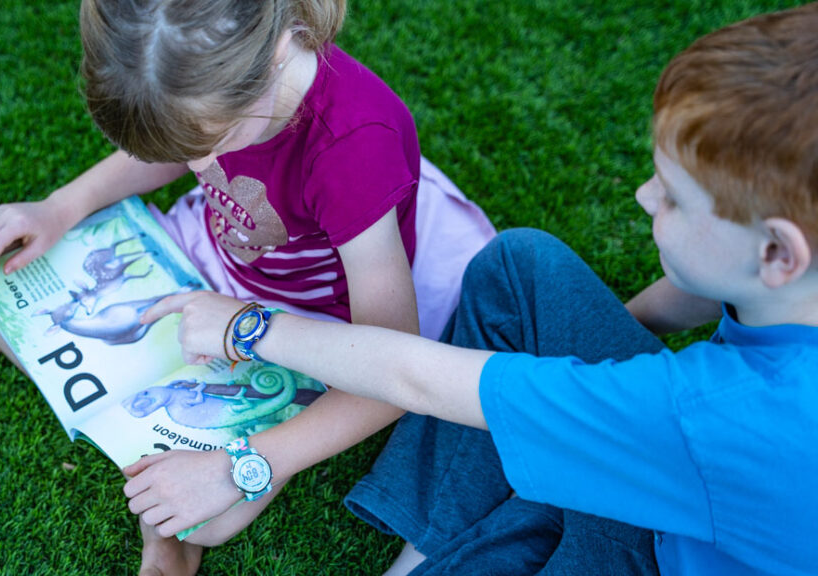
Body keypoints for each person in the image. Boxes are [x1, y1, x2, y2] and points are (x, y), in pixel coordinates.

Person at [133, 4, 818, 574]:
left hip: (662, 552)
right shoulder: (789, 284)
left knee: (545, 513)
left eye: (671, 197)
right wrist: (575, 371)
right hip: (701, 476)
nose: (643, 196)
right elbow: (697, 295)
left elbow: (420, 377)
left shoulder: (716, 414)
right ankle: (434, 538)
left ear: (778, 252)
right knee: (520, 266)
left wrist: (245, 330)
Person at [0, 0, 494, 573]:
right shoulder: (222, 90)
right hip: (207, 256)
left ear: (275, 57)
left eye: (207, 141)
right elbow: (171, 151)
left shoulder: (352, 145)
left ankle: (108, 425)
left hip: (306, 322)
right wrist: (61, 207)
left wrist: (242, 464)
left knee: (216, 516)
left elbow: (391, 370)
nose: (194, 161)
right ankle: (104, 411)